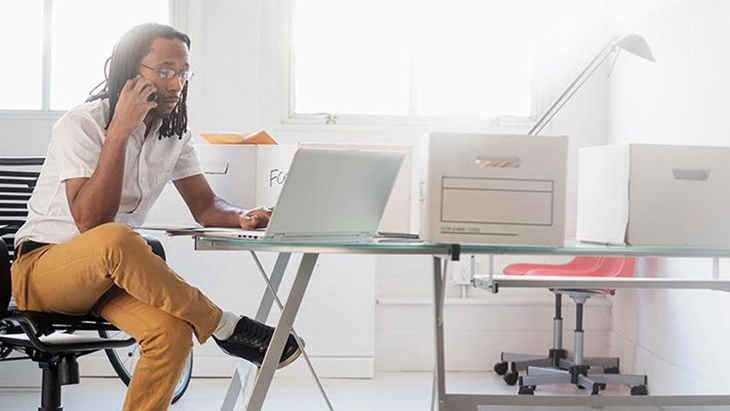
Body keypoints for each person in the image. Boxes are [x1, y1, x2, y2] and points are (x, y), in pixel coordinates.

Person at [10, 23, 301, 411]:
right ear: (131, 71)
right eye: (164, 71)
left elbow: (206, 206)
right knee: (118, 238)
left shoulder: (173, 134)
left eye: (183, 72)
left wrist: (243, 216)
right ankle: (225, 326)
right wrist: (119, 133)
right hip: (43, 270)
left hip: (108, 280)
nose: (176, 83)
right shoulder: (81, 124)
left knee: (172, 334)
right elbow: (91, 223)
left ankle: (218, 328)